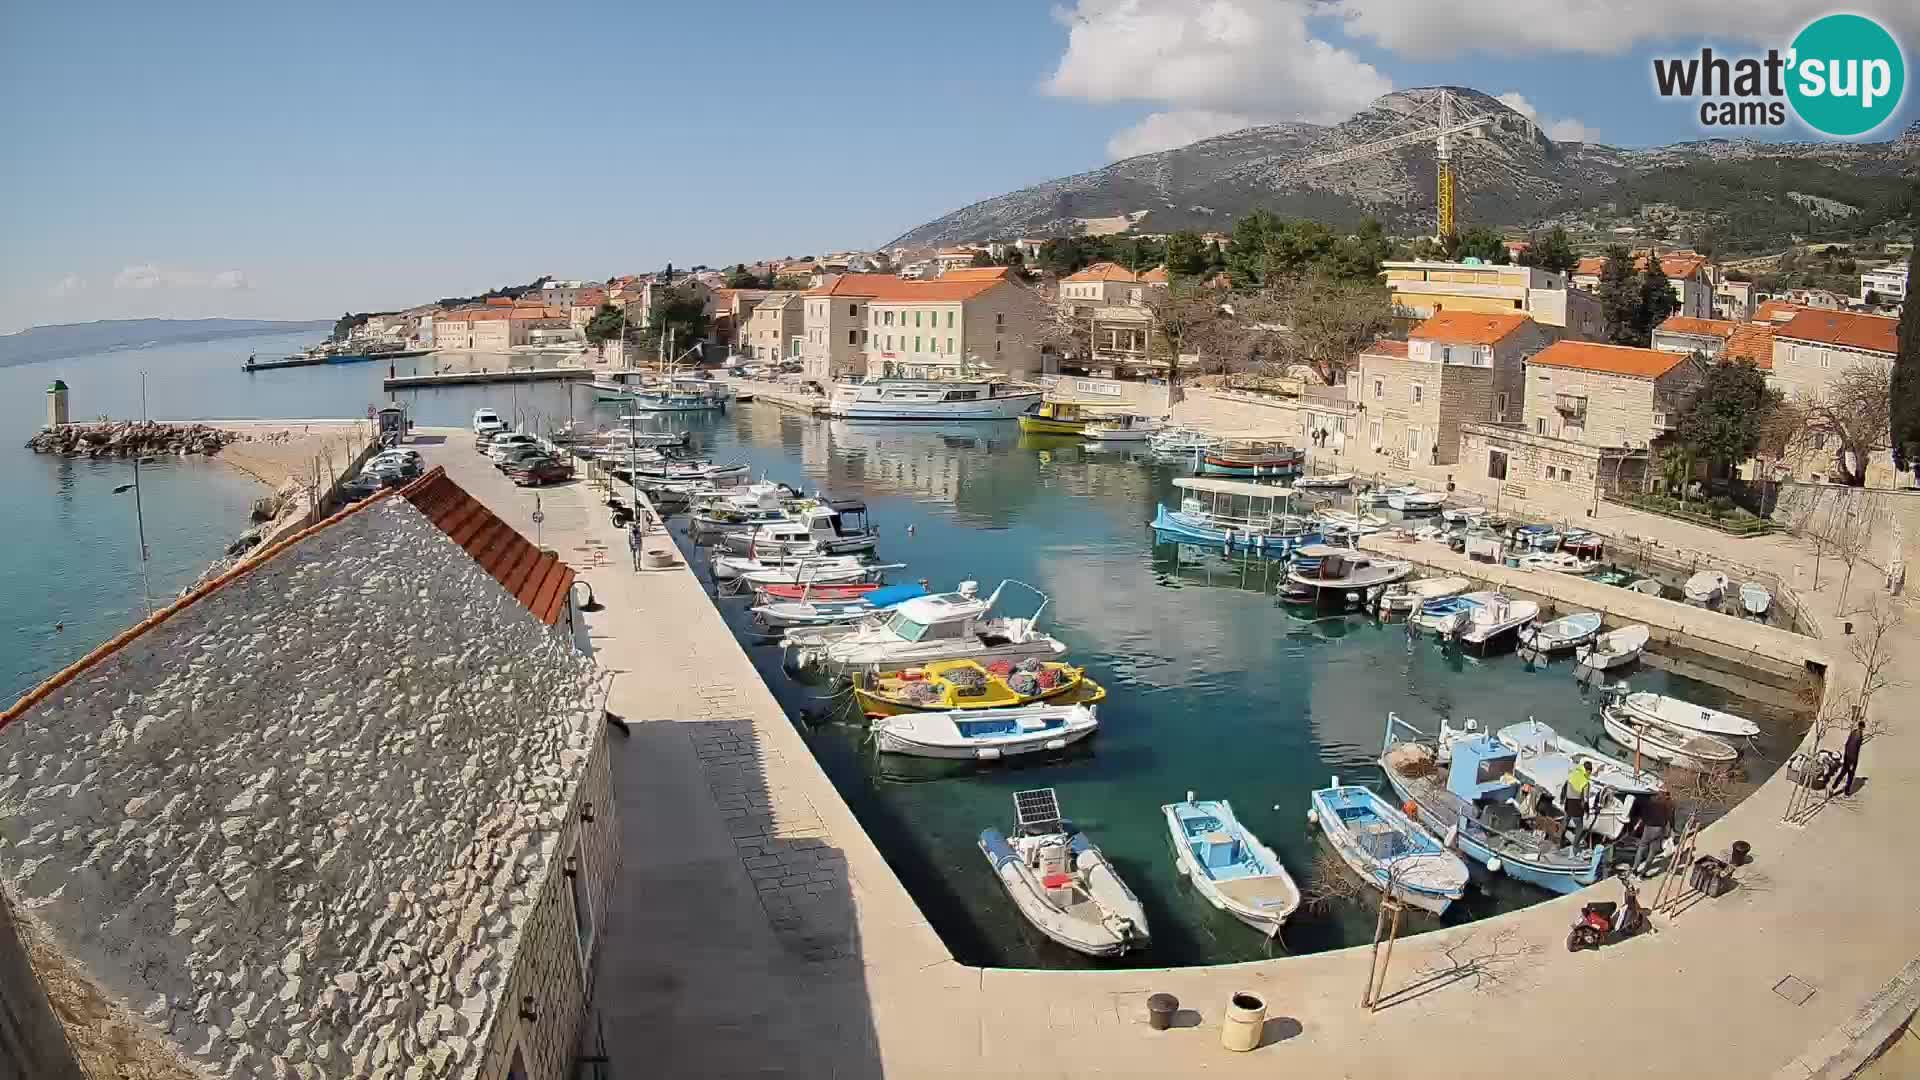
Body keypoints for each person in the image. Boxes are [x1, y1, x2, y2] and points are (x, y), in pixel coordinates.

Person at [1829, 720, 1864, 797]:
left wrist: (1846, 757)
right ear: (1861, 727)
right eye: (1862, 728)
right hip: (1852, 759)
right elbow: (1854, 749)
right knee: (1850, 775)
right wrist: (1852, 762)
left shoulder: (1853, 732)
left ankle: (1833, 787)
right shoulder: (1858, 736)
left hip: (1847, 757)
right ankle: (1847, 791)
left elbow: (1847, 745)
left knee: (1842, 773)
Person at [1563, 760, 1591, 843]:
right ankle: (1575, 846)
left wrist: (1562, 799)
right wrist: (1587, 811)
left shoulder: (1572, 774)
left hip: (1567, 803)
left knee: (1565, 822)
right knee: (1579, 827)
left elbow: (1565, 787)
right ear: (1588, 770)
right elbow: (1585, 799)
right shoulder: (1586, 781)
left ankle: (1559, 840)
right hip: (1576, 805)